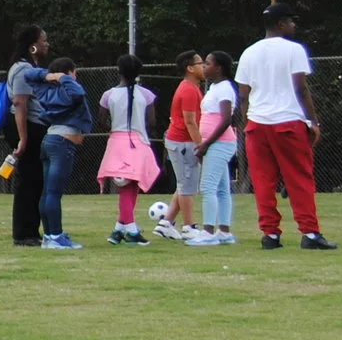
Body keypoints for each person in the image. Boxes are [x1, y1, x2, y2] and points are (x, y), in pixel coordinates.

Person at [233, 3, 336, 250]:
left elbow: (243, 94)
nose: (293, 25)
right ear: (280, 24)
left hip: (257, 124)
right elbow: (300, 88)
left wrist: (247, 123)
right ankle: (310, 233)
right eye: (290, 21)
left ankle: (270, 234)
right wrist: (313, 121)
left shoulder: (249, 52)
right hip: (288, 121)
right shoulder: (294, 49)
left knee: (263, 182)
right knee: (299, 178)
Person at [94, 55, 160, 246]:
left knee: (125, 186)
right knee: (131, 187)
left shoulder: (109, 95)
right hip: (139, 142)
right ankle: (131, 231)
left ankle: (119, 229)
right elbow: (152, 122)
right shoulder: (146, 95)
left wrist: (113, 129)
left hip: (117, 142)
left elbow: (101, 121)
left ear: (119, 71)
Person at [32, 59, 93, 249]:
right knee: (53, 193)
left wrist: (51, 76)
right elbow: (77, 93)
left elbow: (30, 76)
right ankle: (55, 236)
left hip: (51, 140)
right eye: (74, 72)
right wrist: (63, 77)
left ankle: (49, 235)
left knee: (47, 192)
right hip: (61, 143)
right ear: (69, 72)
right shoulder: (67, 89)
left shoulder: (49, 90)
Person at [3, 25, 51, 247]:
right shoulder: (23, 69)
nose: (47, 44)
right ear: (32, 45)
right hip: (27, 127)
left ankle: (31, 230)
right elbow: (20, 103)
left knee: (36, 180)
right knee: (28, 181)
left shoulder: (32, 67)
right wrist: (23, 138)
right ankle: (23, 234)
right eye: (43, 40)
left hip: (33, 126)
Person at [193, 50, 240, 245]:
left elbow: (226, 119)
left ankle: (208, 232)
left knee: (208, 187)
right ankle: (224, 232)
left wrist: (206, 143)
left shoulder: (224, 88)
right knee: (221, 189)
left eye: (208, 64)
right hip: (215, 143)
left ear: (218, 68)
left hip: (219, 143)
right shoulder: (214, 87)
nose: (204, 67)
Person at [159, 51, 207, 241]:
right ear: (190, 68)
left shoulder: (192, 88)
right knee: (187, 186)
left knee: (184, 184)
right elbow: (190, 121)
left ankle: (166, 223)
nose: (204, 66)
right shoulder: (188, 89)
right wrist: (200, 145)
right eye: (201, 63)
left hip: (182, 142)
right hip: (183, 143)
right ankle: (189, 227)